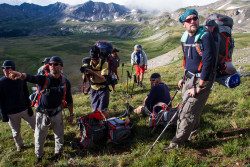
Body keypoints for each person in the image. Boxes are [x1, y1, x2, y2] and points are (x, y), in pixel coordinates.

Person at [164, 9, 215, 152]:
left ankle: (176, 144)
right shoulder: (185, 38)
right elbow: (189, 60)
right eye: (189, 20)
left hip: (201, 81)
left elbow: (208, 63)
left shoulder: (205, 37)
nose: (193, 21)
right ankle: (194, 133)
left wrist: (199, 87)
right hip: (189, 78)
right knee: (191, 110)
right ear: (184, 24)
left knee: (186, 113)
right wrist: (184, 77)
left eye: (195, 18)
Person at [9, 56, 74, 163]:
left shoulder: (65, 82)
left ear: (61, 67)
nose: (52, 66)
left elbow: (69, 100)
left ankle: (58, 153)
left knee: (59, 134)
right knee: (39, 136)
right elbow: (31, 78)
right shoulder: (43, 78)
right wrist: (21, 75)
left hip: (57, 112)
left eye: (55, 64)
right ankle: (39, 156)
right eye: (51, 64)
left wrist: (71, 114)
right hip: (42, 113)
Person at [0, 60, 36, 152]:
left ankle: (41, 137)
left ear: (13, 69)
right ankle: (19, 145)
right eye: (4, 68)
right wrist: (3, 114)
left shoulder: (20, 79)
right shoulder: (1, 82)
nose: (5, 70)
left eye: (8, 68)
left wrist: (29, 107)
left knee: (35, 124)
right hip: (11, 113)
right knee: (15, 132)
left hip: (24, 109)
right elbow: (1, 100)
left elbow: (26, 93)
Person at [82, 45, 110, 118]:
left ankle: (107, 122)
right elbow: (85, 80)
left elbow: (103, 78)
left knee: (102, 110)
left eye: (96, 59)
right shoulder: (87, 63)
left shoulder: (104, 63)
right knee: (94, 110)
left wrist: (92, 72)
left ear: (98, 56)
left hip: (103, 88)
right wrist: (85, 73)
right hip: (94, 88)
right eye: (92, 59)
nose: (94, 61)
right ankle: (98, 124)